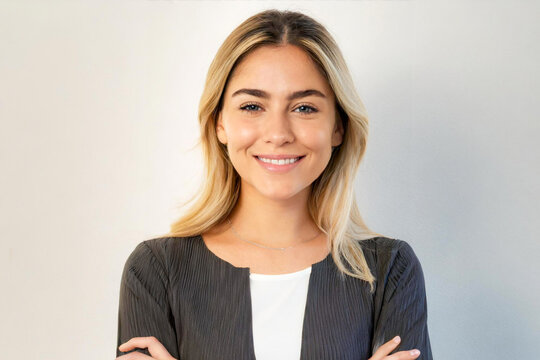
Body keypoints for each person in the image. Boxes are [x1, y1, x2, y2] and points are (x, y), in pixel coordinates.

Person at [115, 9, 432, 360]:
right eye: (252, 106)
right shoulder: (156, 270)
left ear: (338, 127)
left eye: (304, 108)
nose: (278, 134)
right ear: (220, 123)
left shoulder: (390, 269)